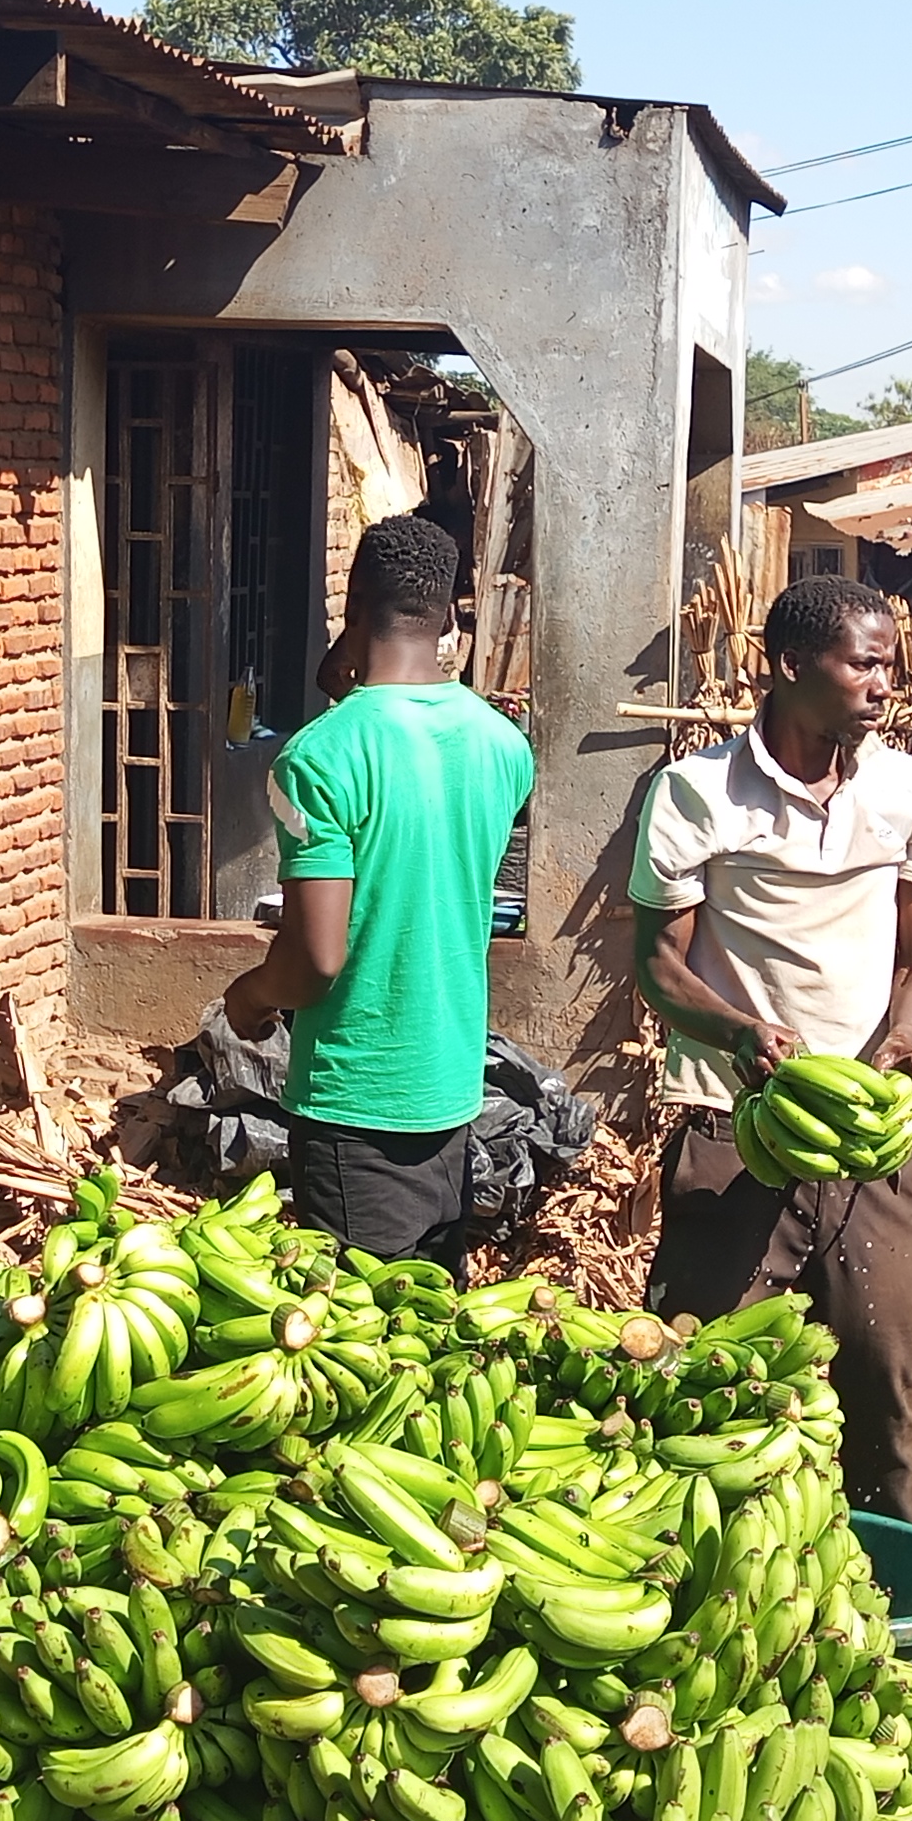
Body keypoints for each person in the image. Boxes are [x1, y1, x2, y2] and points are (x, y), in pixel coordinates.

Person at [630, 575, 912, 1525]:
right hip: (735, 1132)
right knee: (704, 1386)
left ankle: (891, 1581)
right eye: (865, 662)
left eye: (890, 664)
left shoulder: (906, 793)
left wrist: (907, 1037)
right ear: (788, 667)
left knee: (889, 1394)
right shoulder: (696, 795)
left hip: (867, 1140)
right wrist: (737, 1032)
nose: (886, 682)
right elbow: (659, 967)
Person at [222, 517, 533, 1270]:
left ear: (351, 609)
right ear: (451, 616)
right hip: (451, 1083)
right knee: (429, 1329)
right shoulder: (503, 746)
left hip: (357, 1098)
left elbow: (316, 961)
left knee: (364, 1350)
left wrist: (250, 999)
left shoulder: (316, 758)